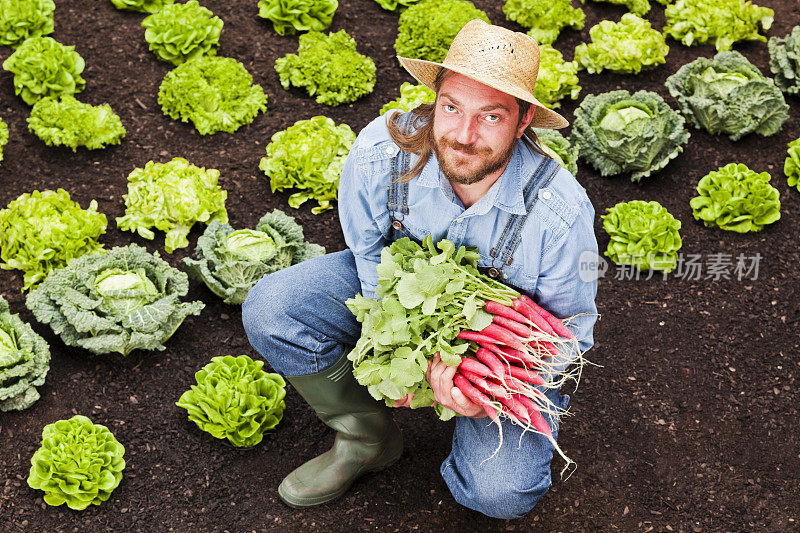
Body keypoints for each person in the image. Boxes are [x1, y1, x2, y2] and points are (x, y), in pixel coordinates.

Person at [242, 19, 598, 519]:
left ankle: (473, 430)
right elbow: (367, 253)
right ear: (435, 100)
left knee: (499, 495)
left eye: (491, 117)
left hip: (499, 352)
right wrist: (394, 341)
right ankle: (366, 437)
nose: (464, 135)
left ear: (523, 123)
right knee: (273, 308)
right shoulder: (381, 152)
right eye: (451, 107)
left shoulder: (559, 216)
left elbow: (571, 333)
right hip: (400, 293)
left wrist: (485, 392)